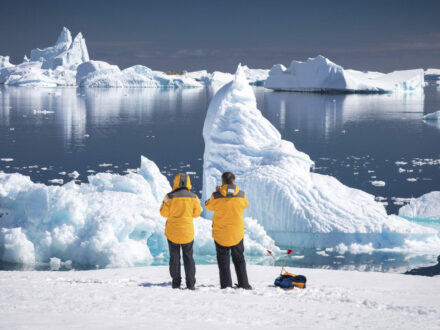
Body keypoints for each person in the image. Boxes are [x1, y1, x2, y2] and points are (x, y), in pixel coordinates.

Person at [204, 172, 252, 290]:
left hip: (221, 234)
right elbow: (246, 204)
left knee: (223, 261)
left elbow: (207, 206)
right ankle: (244, 284)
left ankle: (226, 285)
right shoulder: (242, 195)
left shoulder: (216, 195)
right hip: (237, 233)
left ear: (222, 181)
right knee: (239, 259)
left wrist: (217, 192)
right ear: (233, 181)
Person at [160, 173, 202, 290]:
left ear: (176, 181)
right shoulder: (193, 197)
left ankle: (176, 282)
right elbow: (197, 213)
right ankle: (190, 283)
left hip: (172, 231)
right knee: (188, 257)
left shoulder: (169, 197)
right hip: (187, 232)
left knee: (174, 257)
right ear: (188, 182)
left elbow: (163, 213)